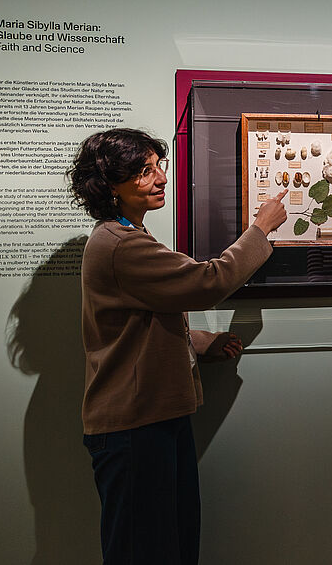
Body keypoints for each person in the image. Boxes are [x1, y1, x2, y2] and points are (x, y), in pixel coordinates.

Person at [67, 128, 287, 565]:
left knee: (171, 544)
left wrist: (200, 342)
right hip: (135, 426)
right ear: (111, 184)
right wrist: (260, 229)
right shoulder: (119, 243)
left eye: (157, 166)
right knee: (145, 551)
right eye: (144, 171)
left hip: (150, 418)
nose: (161, 178)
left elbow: (139, 318)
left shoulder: (126, 235)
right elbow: (207, 282)